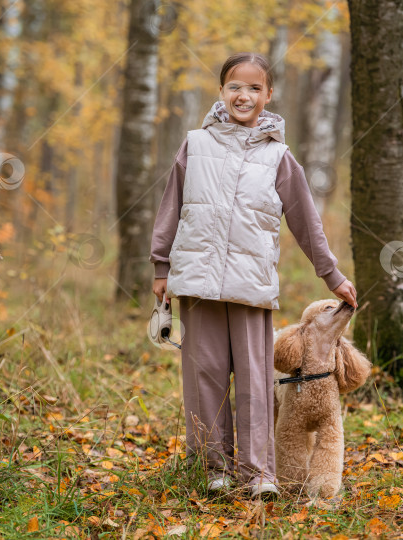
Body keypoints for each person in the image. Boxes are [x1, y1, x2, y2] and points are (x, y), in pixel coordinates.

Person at [149, 51, 357, 500]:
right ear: (221, 92)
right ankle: (214, 468)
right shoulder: (194, 144)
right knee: (204, 378)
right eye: (234, 87)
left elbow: (306, 221)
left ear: (268, 95)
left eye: (254, 88)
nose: (243, 95)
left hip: (251, 285)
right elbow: (171, 207)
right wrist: (160, 265)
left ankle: (258, 472)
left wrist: (332, 275)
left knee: (256, 381)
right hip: (197, 282)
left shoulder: (279, 156)